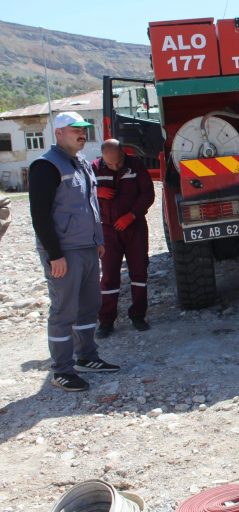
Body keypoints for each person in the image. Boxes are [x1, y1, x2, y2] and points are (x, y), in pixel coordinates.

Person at [29, 112, 120, 392]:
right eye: (75, 129)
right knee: (64, 311)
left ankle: (87, 357)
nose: (82, 134)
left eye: (83, 129)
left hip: (87, 247)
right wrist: (54, 254)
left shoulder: (81, 163)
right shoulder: (45, 166)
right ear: (58, 133)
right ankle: (62, 370)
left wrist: (98, 239)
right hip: (64, 252)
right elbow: (40, 215)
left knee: (88, 307)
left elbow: (90, 205)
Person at [92, 139, 155, 337]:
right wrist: (96, 191)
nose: (115, 166)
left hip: (134, 227)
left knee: (139, 272)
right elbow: (81, 193)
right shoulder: (93, 168)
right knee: (109, 276)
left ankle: (138, 315)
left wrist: (132, 215)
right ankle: (106, 321)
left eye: (118, 162)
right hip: (108, 230)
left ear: (123, 154)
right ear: (102, 158)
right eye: (110, 164)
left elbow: (148, 194)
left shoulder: (135, 165)